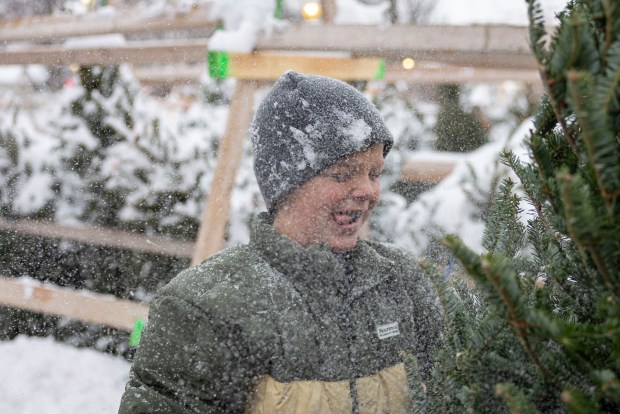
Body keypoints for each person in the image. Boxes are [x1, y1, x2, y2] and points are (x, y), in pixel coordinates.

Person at [119, 71, 443, 413]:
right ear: (287, 183)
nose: (368, 190)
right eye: (343, 173)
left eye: (374, 173)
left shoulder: (404, 281)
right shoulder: (205, 305)